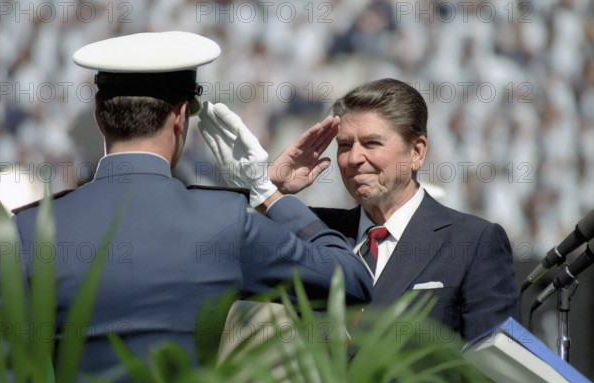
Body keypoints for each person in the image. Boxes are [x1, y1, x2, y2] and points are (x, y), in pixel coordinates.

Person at [11, 31, 372, 383]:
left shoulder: (29, 230)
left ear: (99, 118)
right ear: (181, 116)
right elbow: (350, 281)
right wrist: (266, 191)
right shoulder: (223, 221)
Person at [221, 78, 520, 342]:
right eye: (344, 145)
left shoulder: (473, 242)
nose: (354, 158)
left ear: (416, 152)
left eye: (371, 143)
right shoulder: (313, 231)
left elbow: (493, 378)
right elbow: (220, 263)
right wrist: (267, 189)